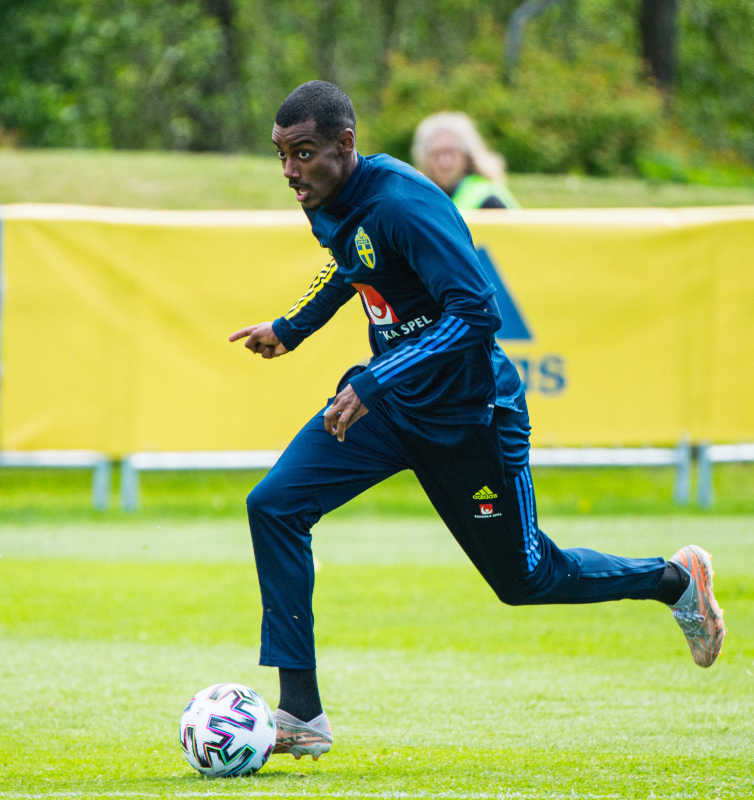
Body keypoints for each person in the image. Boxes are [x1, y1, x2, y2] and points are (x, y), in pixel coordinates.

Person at [228, 80, 724, 762]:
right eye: (281, 155)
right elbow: (351, 265)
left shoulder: (404, 204)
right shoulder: (329, 198)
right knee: (275, 505)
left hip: (470, 419)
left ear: (346, 143)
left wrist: (374, 377)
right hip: (391, 407)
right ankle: (302, 713)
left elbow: (475, 314)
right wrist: (293, 327)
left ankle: (672, 580)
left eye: (303, 153)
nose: (290, 172)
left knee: (526, 580)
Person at [411, 111, 520, 210]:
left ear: (467, 155)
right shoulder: (418, 195)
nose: (444, 162)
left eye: (451, 153)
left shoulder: (489, 197)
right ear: (424, 158)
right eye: (437, 154)